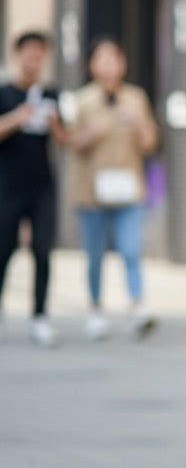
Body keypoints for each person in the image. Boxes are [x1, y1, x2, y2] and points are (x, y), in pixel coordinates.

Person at [67, 36, 159, 340]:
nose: (108, 66)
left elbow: (150, 144)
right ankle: (95, 310)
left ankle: (138, 308)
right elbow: (70, 143)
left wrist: (138, 126)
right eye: (101, 59)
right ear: (91, 65)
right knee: (94, 256)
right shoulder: (82, 100)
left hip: (128, 189)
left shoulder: (135, 98)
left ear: (123, 63)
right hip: (91, 193)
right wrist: (91, 133)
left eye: (114, 59)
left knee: (131, 250)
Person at [0, 31, 63, 346]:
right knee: (3, 250)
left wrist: (55, 125)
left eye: (40, 54)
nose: (34, 59)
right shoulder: (4, 93)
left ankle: (40, 315)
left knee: (42, 251)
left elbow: (65, 140)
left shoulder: (51, 94)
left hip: (43, 186)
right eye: (29, 53)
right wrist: (17, 118)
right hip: (7, 185)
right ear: (18, 55)